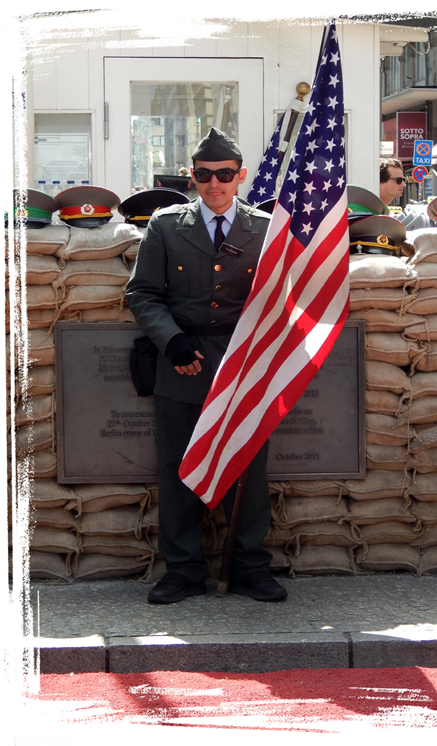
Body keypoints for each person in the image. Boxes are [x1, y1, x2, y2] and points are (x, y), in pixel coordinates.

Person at [125, 127, 287, 604]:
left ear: (240, 177)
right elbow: (143, 293)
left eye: (223, 174)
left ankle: (248, 567)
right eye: (203, 174)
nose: (213, 183)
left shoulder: (264, 228)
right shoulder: (166, 225)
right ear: (191, 177)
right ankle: (183, 569)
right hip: (182, 365)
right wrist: (171, 342)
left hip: (243, 369)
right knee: (178, 468)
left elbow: (280, 299)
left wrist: (258, 356)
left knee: (248, 468)